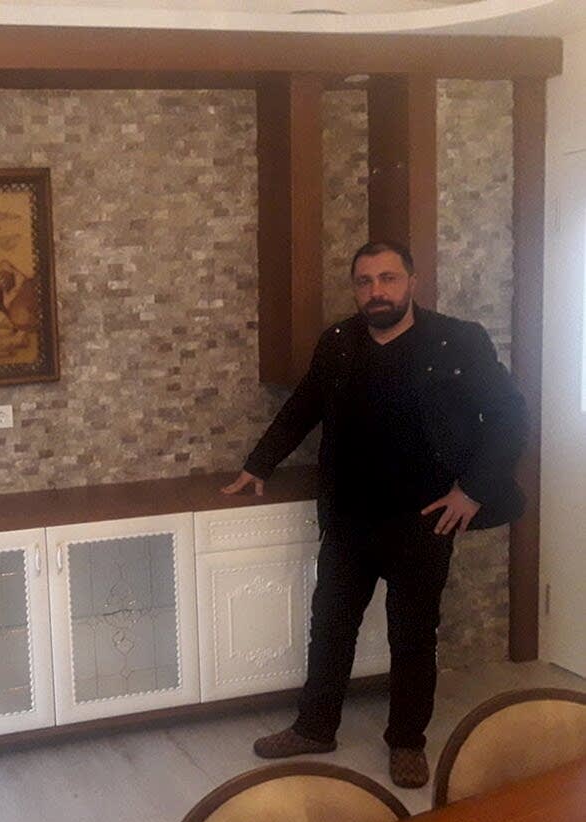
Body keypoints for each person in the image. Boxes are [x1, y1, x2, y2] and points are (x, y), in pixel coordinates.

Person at [221, 240, 527, 788]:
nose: (376, 291)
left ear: (412, 282)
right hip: (348, 517)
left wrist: (474, 492)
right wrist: (258, 464)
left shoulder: (457, 340)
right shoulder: (339, 342)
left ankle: (407, 742)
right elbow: (304, 407)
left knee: (413, 636)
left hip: (424, 518)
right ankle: (315, 727)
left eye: (388, 278)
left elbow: (508, 416)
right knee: (330, 626)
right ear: (355, 288)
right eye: (365, 281)